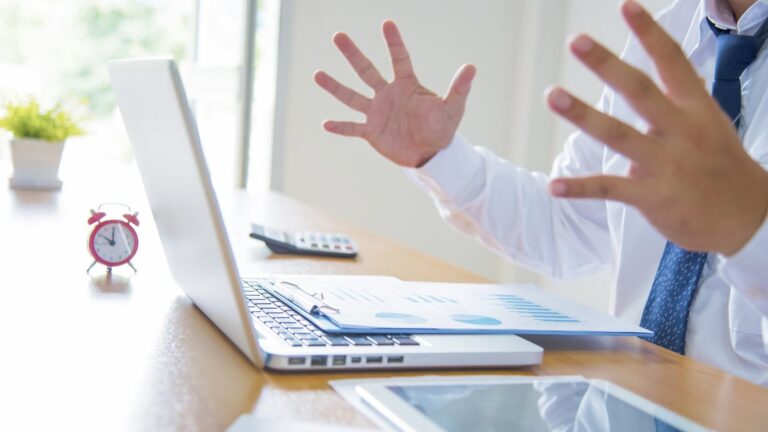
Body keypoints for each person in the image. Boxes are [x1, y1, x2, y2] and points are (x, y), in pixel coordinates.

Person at [314, 0, 768, 385]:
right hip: (626, 401)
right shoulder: (670, 31)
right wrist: (438, 157)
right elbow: (566, 226)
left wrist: (750, 229)